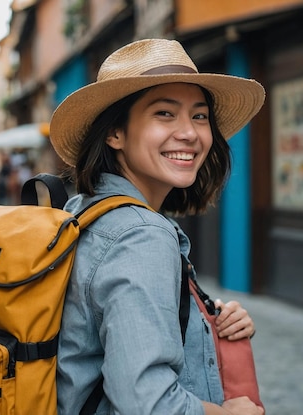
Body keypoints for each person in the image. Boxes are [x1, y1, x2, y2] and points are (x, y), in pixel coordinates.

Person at [50, 39, 265, 414]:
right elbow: (144, 403)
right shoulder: (139, 235)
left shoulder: (86, 211)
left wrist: (209, 321)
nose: (189, 133)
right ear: (115, 133)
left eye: (199, 116)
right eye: (165, 114)